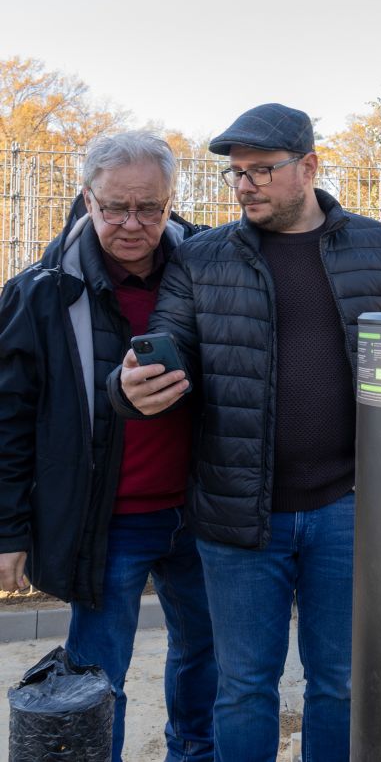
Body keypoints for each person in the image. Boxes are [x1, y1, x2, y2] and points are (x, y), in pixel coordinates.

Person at [112, 102, 381, 762]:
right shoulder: (202, 258)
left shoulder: (379, 247)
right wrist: (132, 386)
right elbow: (169, 342)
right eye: (236, 174)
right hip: (237, 518)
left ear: (309, 166)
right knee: (242, 687)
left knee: (341, 683)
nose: (245, 184)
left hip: (349, 508)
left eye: (261, 169)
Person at [0, 131, 217, 762]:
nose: (131, 223)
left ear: (170, 200)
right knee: (97, 674)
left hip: (202, 513)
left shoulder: (209, 268)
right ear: (87, 199)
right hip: (108, 520)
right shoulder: (39, 291)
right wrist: (8, 531)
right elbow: (9, 421)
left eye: (148, 208)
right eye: (114, 207)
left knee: (204, 660)